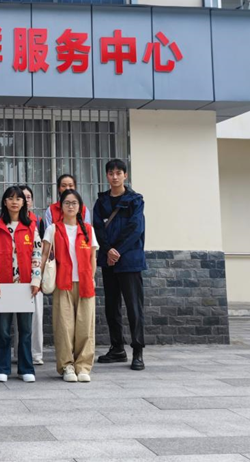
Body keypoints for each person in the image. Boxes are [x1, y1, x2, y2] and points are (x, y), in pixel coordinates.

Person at [93, 159, 147, 371]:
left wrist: (117, 251)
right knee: (111, 306)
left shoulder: (135, 200)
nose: (114, 176)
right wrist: (108, 250)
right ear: (107, 176)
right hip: (109, 261)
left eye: (118, 173)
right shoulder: (101, 202)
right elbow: (98, 229)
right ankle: (117, 348)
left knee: (134, 307)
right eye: (111, 173)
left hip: (130, 260)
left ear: (125, 175)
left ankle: (138, 351)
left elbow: (136, 228)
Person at [41, 189, 98, 383]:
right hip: (62, 283)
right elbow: (44, 255)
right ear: (61, 206)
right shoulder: (53, 229)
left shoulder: (88, 229)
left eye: (74, 203)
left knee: (85, 326)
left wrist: (91, 277)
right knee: (64, 327)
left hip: (85, 284)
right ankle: (67, 366)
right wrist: (38, 278)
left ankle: (83, 366)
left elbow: (93, 257)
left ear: (80, 207)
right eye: (67, 203)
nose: (71, 206)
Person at [0, 186, 42, 383]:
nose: (15, 202)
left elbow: (37, 255)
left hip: (26, 286)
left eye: (18, 199)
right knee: (3, 330)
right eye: (10, 198)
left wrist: (36, 279)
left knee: (25, 330)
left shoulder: (31, 227)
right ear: (5, 202)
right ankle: (2, 367)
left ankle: (26, 368)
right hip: (4, 287)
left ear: (24, 203)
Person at [19, 184, 45, 367]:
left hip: (35, 274)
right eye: (21, 197)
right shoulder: (7, 222)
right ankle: (19, 351)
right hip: (15, 276)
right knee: (17, 317)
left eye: (28, 197)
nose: (25, 200)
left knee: (36, 316)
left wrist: (38, 274)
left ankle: (36, 354)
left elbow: (44, 250)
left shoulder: (39, 221)